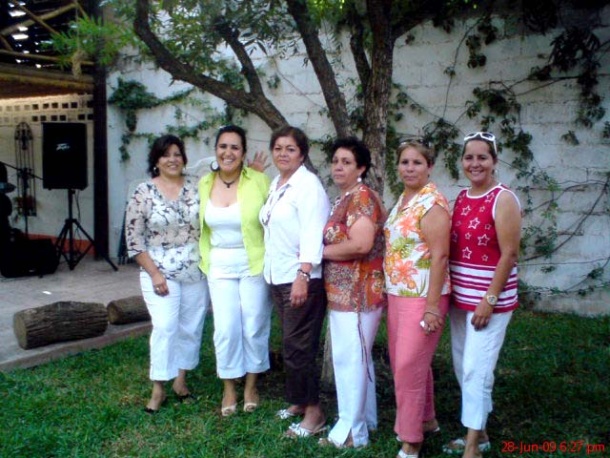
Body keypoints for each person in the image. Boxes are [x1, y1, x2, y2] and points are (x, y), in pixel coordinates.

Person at [444, 132, 521, 458]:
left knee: (477, 368)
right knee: (463, 366)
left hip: (488, 302)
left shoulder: (503, 198)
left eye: (482, 157)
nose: (475, 163)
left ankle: (472, 446)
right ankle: (482, 432)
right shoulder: (461, 197)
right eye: (469, 157)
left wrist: (488, 300)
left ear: (494, 161)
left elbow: (510, 254)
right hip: (460, 300)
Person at [125, 134, 210, 413]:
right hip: (159, 272)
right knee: (165, 327)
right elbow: (134, 240)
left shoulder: (197, 188)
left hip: (195, 270)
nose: (172, 159)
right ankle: (159, 387)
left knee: (190, 327)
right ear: (156, 161)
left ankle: (181, 381)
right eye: (165, 155)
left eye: (177, 153)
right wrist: (155, 274)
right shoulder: (143, 192)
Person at [259, 125, 330, 438]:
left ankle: (315, 413)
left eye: (290, 149)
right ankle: (299, 402)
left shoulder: (308, 185)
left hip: (301, 279)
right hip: (278, 276)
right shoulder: (278, 182)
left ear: (302, 153)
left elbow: (313, 232)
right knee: (291, 345)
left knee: (298, 348)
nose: (283, 154)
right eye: (278, 148)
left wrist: (303, 274)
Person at [383, 139, 451, 458]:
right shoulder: (404, 199)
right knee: (409, 364)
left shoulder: (431, 204)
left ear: (429, 167)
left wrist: (433, 306)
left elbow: (439, 257)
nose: (409, 168)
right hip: (398, 295)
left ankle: (411, 441)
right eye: (405, 162)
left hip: (424, 297)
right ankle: (427, 420)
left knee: (408, 367)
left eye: (417, 163)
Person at [198, 125, 272, 417]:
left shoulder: (259, 180)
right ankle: (229, 385)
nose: (228, 152)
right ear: (216, 150)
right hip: (218, 263)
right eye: (223, 146)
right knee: (226, 328)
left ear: (242, 153)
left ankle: (251, 384)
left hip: (253, 260)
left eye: (235, 147)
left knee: (254, 324)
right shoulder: (204, 183)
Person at [318, 137, 386, 449]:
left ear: (360, 168)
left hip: (358, 293)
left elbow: (360, 245)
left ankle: (351, 433)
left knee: (349, 360)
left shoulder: (361, 198)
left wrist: (320, 252)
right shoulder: (343, 198)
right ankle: (365, 422)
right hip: (344, 293)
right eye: (335, 161)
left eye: (346, 161)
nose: (338, 166)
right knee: (358, 359)